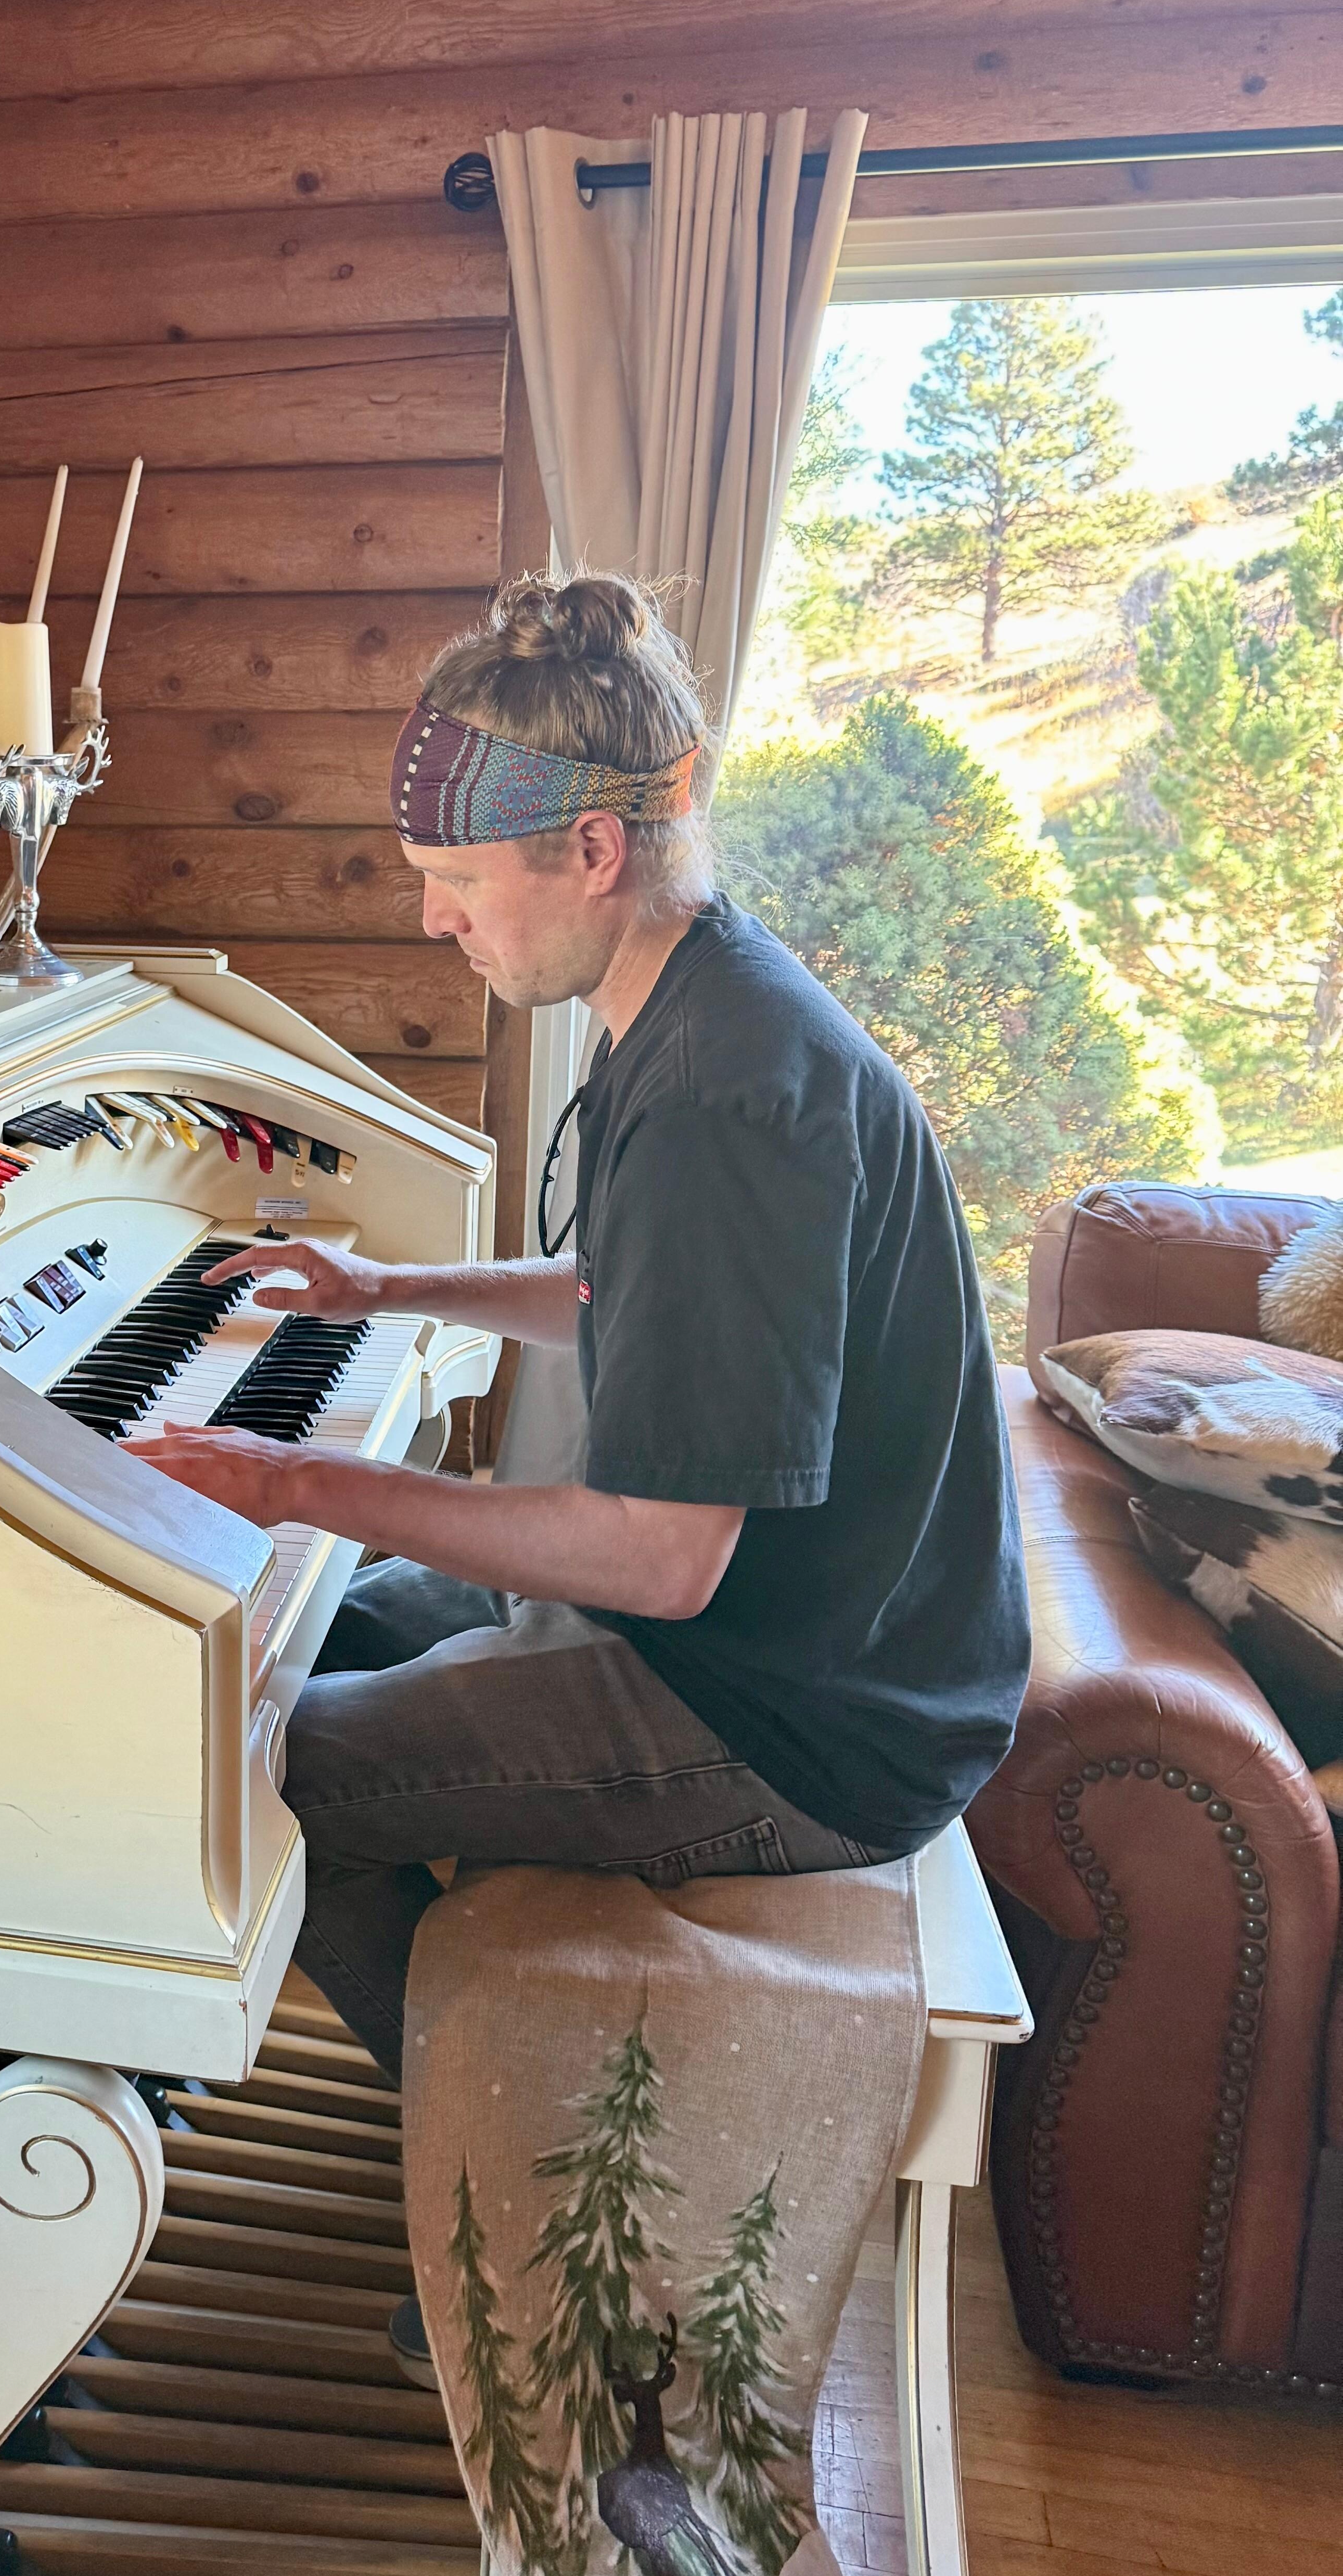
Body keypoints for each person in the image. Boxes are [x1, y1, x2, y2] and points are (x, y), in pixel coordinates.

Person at [126, 572, 1031, 2120]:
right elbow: (622, 1291)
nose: (432, 916)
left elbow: (658, 1561)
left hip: (799, 1714)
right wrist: (382, 1297)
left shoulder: (722, 1099)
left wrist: (294, 1484)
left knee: (238, 1764)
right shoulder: (690, 995)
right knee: (305, 1641)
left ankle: (509, 2184)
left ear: (593, 850)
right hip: (790, 1634)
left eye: (457, 876)